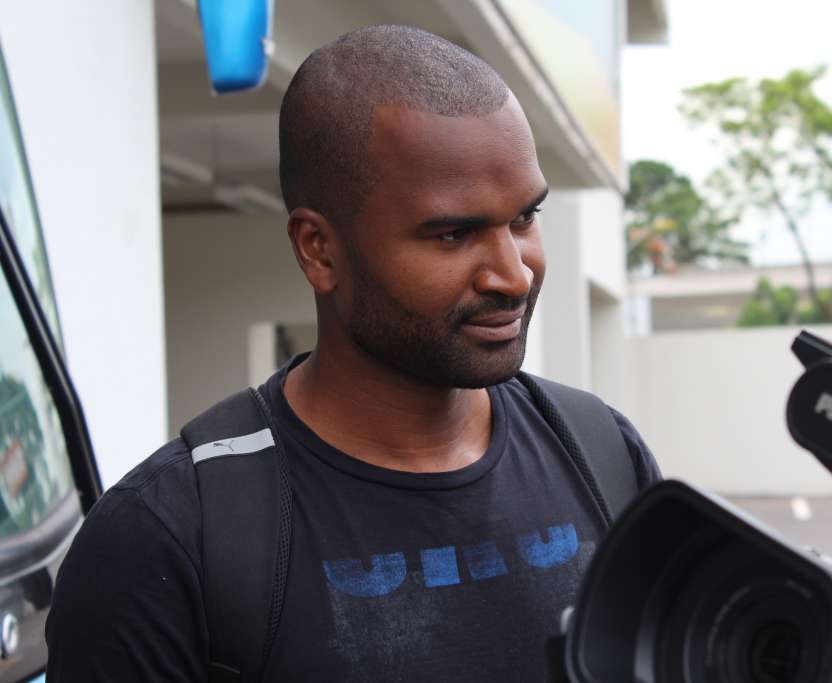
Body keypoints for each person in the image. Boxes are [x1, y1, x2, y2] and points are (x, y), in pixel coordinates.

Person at [44, 25, 659, 682]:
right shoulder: (163, 539)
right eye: (453, 233)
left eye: (524, 219)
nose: (513, 273)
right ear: (318, 249)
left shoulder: (603, 455)